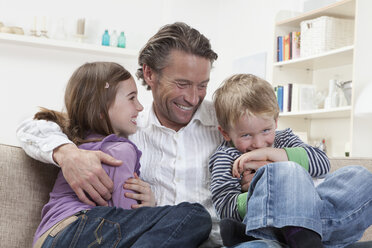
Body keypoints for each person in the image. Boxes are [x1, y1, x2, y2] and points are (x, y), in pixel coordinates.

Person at [17, 23, 290, 248]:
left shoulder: (227, 124)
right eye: (182, 84)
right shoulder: (127, 129)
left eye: (202, 85)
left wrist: (280, 161)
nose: (193, 98)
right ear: (150, 74)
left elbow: (280, 141)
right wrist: (67, 154)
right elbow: (33, 126)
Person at [31, 61, 212, 248]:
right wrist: (149, 208)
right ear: (101, 108)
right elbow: (127, 210)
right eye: (131, 98)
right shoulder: (119, 149)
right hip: (81, 230)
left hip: (49, 238)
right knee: (194, 215)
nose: (140, 107)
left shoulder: (79, 142)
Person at [209, 74, 372, 247]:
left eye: (266, 130)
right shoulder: (226, 157)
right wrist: (265, 189)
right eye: (246, 135)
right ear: (226, 133)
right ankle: (297, 236)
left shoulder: (284, 139)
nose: (258, 144)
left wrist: (272, 154)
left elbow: (322, 163)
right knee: (288, 171)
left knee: (360, 176)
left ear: (276, 122)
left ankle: (300, 234)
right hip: (267, 221)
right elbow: (225, 208)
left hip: (314, 213)